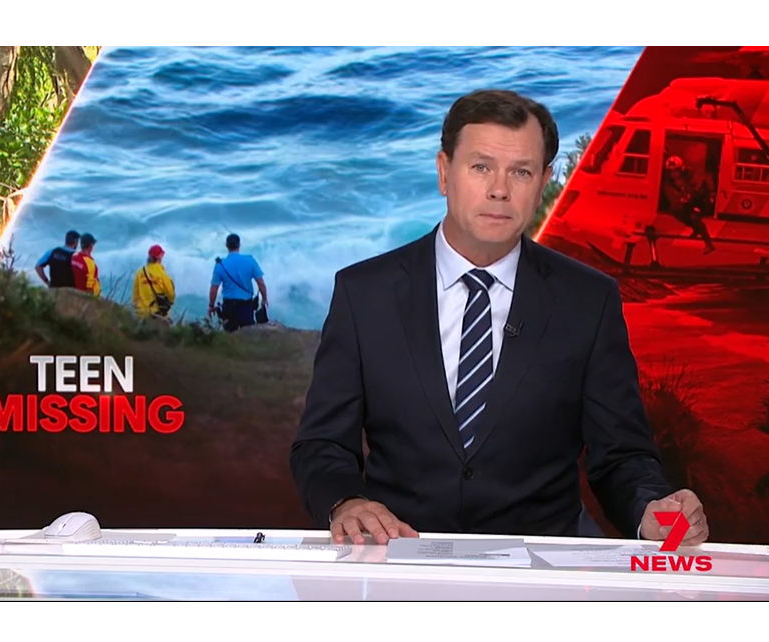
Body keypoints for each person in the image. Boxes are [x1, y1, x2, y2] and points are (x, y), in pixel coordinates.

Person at [289, 89, 707, 547]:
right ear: (444, 172)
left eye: (521, 172)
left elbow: (622, 456)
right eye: (481, 167)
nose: (499, 190)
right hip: (402, 555)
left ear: (544, 182)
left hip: (540, 566)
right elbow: (322, 444)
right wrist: (346, 502)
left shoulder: (589, 300)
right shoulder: (365, 294)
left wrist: (651, 510)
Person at [209, 233, 267, 332]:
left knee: (230, 336)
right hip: (246, 306)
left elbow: (214, 289)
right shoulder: (250, 261)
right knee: (248, 335)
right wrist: (264, 299)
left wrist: (211, 305)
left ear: (226, 246)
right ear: (239, 245)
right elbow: (260, 283)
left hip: (229, 307)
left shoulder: (220, 265)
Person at [132, 245, 175, 320]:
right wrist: (169, 302)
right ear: (160, 257)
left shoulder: (139, 273)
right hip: (157, 314)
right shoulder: (163, 275)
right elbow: (171, 294)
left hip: (141, 313)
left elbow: (135, 295)